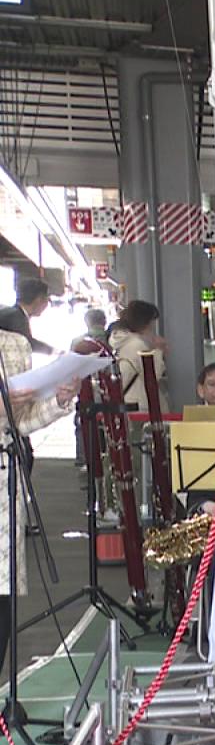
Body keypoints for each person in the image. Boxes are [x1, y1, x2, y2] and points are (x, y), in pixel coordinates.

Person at [0, 327, 76, 669]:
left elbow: (22, 421)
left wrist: (58, 399)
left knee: (3, 598)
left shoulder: (15, 345)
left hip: (5, 484)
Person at [109, 300, 168, 414]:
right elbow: (154, 374)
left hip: (130, 401)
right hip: (141, 406)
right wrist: (159, 350)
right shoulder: (138, 345)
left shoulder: (124, 342)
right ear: (145, 323)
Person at [0, 277, 58, 356]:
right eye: (48, 300)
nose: (47, 305)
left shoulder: (13, 313)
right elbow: (29, 343)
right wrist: (54, 351)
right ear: (39, 300)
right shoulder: (17, 318)